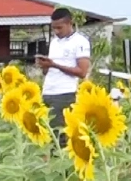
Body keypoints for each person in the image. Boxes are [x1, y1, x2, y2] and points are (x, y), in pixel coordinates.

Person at [36, 8, 91, 143]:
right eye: (54, 28)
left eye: (59, 28)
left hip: (64, 94)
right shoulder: (54, 42)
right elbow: (48, 71)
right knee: (47, 135)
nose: (56, 31)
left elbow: (82, 72)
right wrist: (45, 66)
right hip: (48, 92)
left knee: (60, 137)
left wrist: (55, 65)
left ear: (69, 23)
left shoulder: (80, 42)